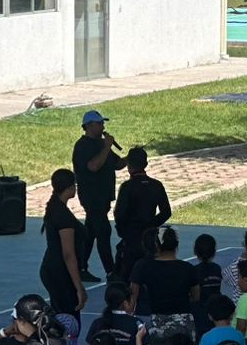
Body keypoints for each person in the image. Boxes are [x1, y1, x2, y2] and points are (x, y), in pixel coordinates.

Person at [72, 109, 125, 281]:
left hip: (104, 195)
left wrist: (131, 157)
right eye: (99, 123)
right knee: (103, 231)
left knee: (90, 232)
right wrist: (107, 146)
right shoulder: (83, 146)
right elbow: (93, 166)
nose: (103, 127)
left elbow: (117, 164)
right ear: (88, 126)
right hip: (91, 196)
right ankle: (111, 272)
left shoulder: (102, 144)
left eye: (103, 123)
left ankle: (81, 267)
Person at [113, 148, 171, 280]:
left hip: (131, 238)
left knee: (127, 275)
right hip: (150, 237)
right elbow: (166, 212)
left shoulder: (127, 187)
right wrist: (151, 224)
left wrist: (124, 231)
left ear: (128, 165)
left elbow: (119, 214)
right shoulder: (156, 185)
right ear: (146, 164)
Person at [39, 169, 87, 321]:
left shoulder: (55, 208)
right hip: (60, 272)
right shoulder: (63, 216)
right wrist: (78, 286)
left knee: (60, 312)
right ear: (71, 187)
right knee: (69, 318)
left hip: (52, 268)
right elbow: (68, 254)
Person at [128, 226, 199, 323]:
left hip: (154, 320)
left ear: (156, 245)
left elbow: (132, 297)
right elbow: (196, 298)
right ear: (176, 245)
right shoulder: (188, 268)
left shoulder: (142, 266)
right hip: (182, 321)